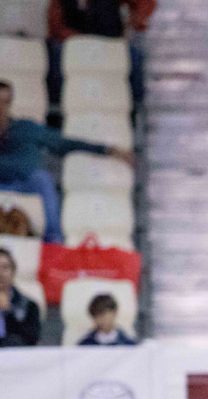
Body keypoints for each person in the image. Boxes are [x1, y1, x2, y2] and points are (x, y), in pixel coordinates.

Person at [0, 80, 134, 243]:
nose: (1, 107)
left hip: (25, 182)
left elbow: (65, 143)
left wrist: (108, 150)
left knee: (42, 179)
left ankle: (53, 242)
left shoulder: (27, 128)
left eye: (5, 102)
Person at [46, 0, 156, 108]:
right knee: (55, 55)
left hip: (109, 46)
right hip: (74, 49)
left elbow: (146, 3)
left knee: (134, 56)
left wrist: (134, 21)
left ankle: (135, 111)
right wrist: (82, 41)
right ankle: (56, 114)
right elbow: (55, 25)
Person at [0, 247, 42, 346]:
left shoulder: (29, 306)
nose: (0, 273)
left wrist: (8, 311)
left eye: (5, 268)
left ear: (13, 273)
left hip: (13, 356)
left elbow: (31, 341)